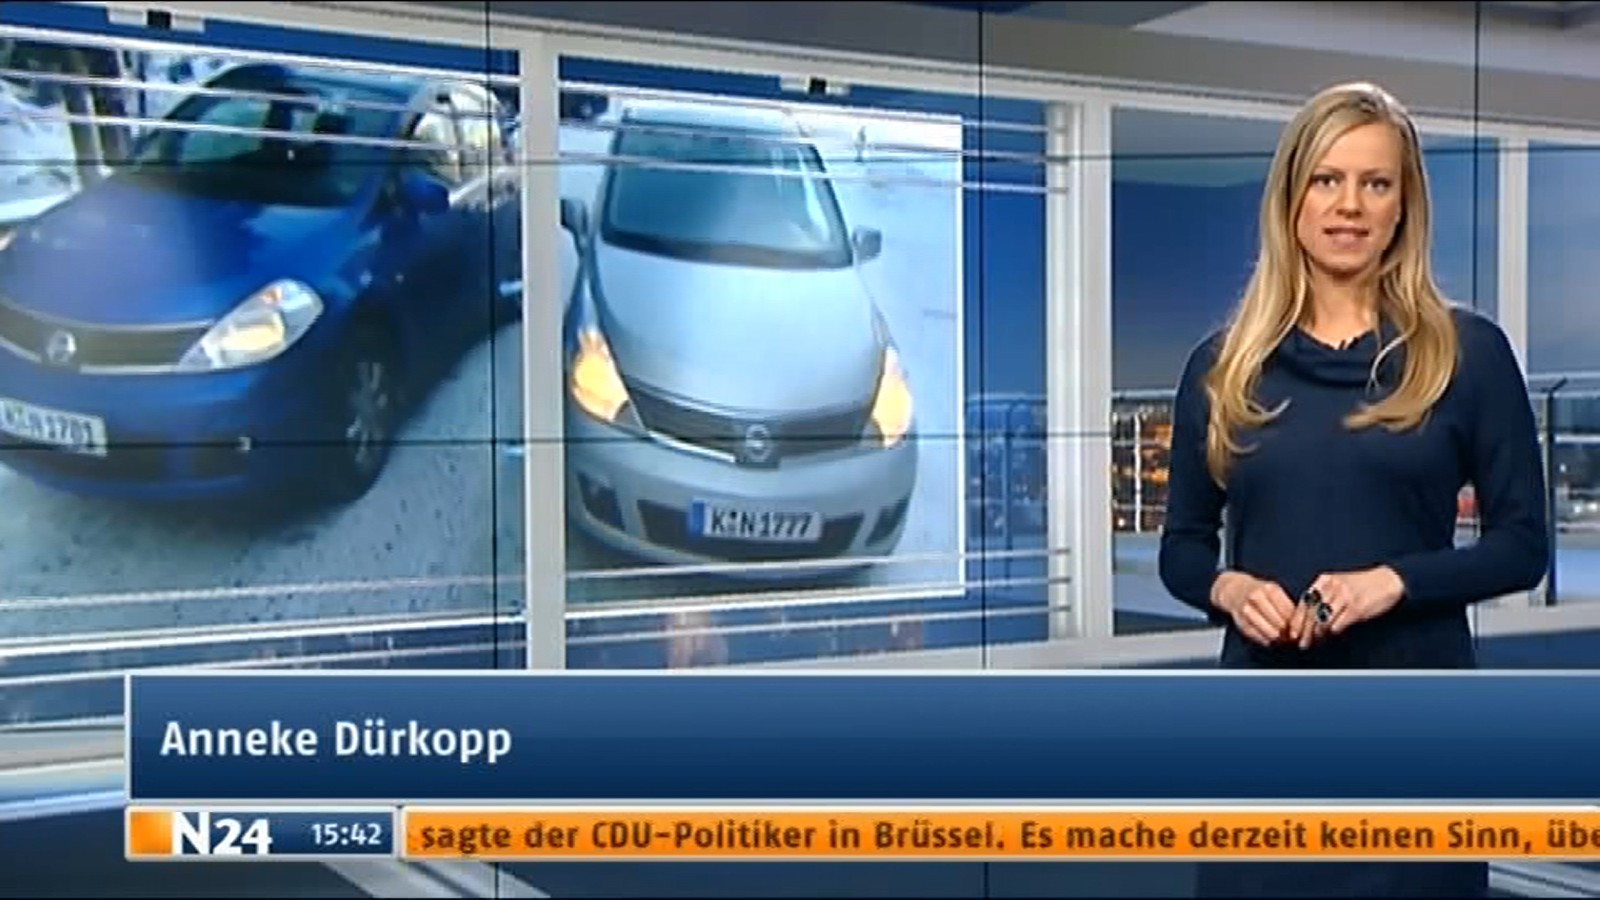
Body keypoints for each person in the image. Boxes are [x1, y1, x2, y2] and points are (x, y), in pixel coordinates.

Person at [1157, 81, 1550, 898]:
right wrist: (1231, 590)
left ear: (1403, 206)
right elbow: (1184, 549)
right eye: (1328, 180)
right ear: (1291, 198)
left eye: (1375, 183)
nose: (1350, 206)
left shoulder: (1467, 355)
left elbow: (1521, 546)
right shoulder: (1222, 368)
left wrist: (1394, 582)